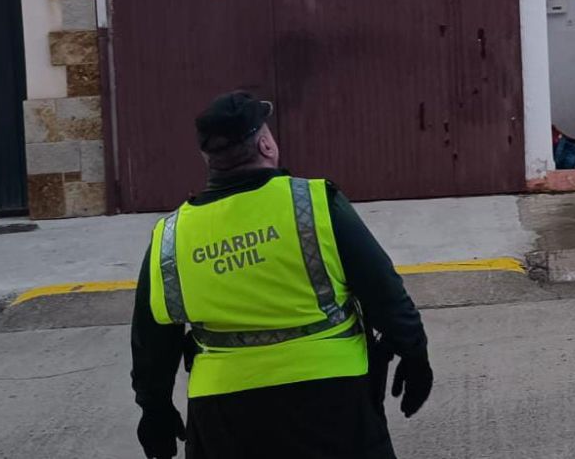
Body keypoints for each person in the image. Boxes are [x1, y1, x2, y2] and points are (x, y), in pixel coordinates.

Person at [129, 92, 433, 459]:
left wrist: (154, 409)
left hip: (224, 415)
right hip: (335, 400)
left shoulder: (171, 238)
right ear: (265, 144)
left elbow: (151, 343)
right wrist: (414, 353)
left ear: (207, 159)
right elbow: (383, 291)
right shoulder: (314, 204)